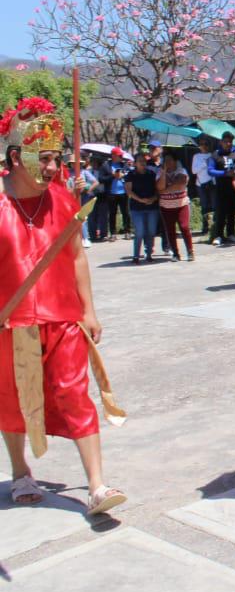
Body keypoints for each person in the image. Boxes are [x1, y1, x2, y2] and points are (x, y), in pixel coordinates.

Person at [1, 98, 126, 514]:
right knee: (12, 398)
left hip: (62, 318)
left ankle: (97, 486)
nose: (53, 168)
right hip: (10, 322)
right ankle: (21, 472)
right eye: (44, 158)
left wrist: (89, 310)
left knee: (74, 394)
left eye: (57, 159)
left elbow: (75, 256)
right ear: (16, 156)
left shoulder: (62, 200)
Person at [156, 152, 195, 261]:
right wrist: (163, 173)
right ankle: (176, 253)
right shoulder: (160, 173)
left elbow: (180, 184)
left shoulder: (181, 171)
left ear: (175, 161)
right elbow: (159, 186)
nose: (167, 162)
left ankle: (190, 251)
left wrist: (164, 191)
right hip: (166, 206)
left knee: (184, 227)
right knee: (170, 230)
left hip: (181, 204)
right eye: (165, 160)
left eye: (169, 160)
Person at [207, 132, 235, 245]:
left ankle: (231, 234)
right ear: (221, 142)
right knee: (221, 212)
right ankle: (218, 235)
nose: (228, 144)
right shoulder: (215, 155)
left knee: (232, 211)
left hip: (234, 187)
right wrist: (225, 173)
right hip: (221, 188)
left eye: (230, 142)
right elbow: (210, 170)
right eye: (226, 141)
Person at [124, 154, 160, 263]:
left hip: (152, 206)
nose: (143, 163)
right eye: (140, 161)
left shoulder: (151, 174)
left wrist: (153, 199)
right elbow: (128, 191)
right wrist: (140, 200)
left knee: (151, 231)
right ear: (135, 163)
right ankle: (136, 256)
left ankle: (148, 254)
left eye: (144, 161)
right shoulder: (131, 174)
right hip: (137, 207)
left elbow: (158, 189)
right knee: (139, 232)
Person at [192, 138, 216, 237]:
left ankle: (214, 227)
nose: (204, 146)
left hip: (212, 183)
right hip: (201, 184)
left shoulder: (212, 155)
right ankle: (205, 227)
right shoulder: (196, 156)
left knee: (214, 206)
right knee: (204, 206)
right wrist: (204, 163)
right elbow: (194, 170)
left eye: (206, 144)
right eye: (202, 144)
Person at [105, 147, 129, 240]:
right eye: (119, 155)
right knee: (112, 213)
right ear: (113, 156)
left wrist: (123, 176)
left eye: (121, 155)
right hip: (112, 193)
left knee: (125, 212)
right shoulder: (106, 165)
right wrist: (113, 176)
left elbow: (129, 175)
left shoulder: (124, 165)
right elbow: (101, 178)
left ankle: (127, 231)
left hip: (123, 192)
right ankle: (113, 233)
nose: (121, 157)